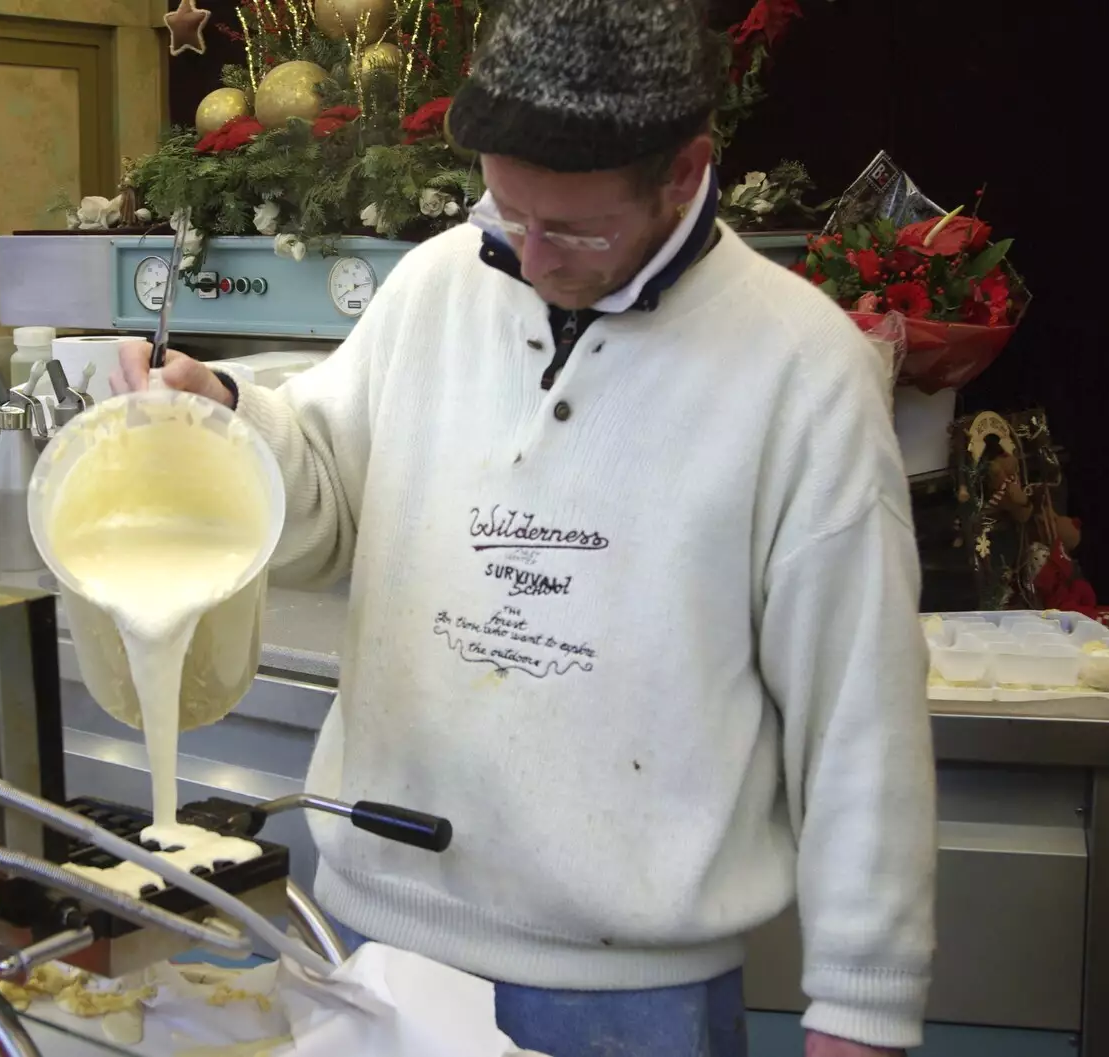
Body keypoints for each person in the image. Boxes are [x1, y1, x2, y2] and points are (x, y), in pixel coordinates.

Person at [110, 0, 936, 1054]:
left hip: (628, 994)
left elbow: (859, 709)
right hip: (376, 935)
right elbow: (323, 506)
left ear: (686, 173)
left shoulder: (803, 374)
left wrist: (863, 1003)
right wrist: (224, 426)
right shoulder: (437, 285)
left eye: (577, 229)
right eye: (508, 212)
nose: (532, 255)